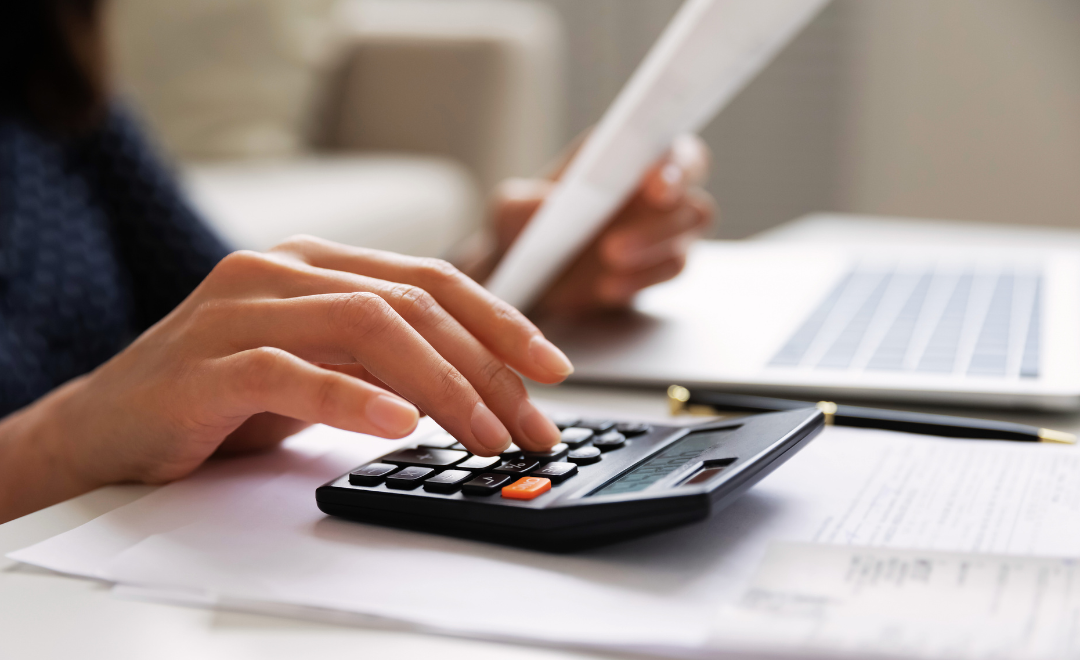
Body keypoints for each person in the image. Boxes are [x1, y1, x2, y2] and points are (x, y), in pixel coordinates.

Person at [0, 0, 714, 521]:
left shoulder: (39, 48)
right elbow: (130, 396)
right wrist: (64, 441)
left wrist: (510, 270)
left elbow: (209, 331)